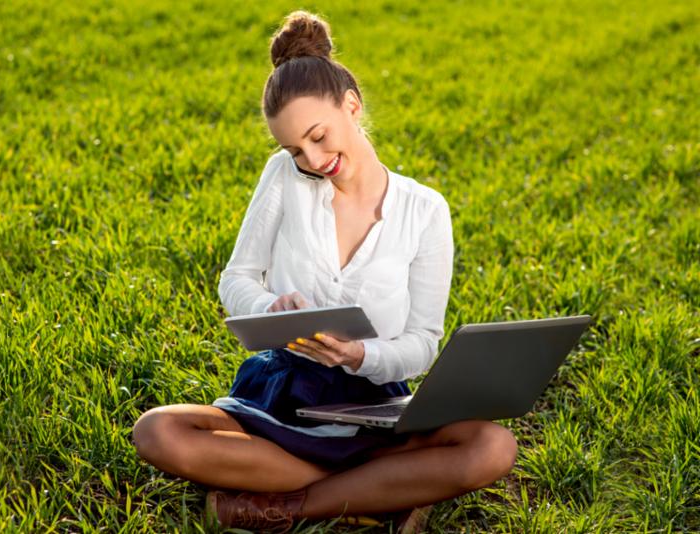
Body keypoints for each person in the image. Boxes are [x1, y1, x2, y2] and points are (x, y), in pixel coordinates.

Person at [132, 10, 518, 533]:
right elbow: (236, 278)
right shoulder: (283, 178)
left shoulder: (425, 209)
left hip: (373, 403)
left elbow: (423, 340)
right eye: (295, 150)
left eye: (318, 136)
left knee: (492, 446)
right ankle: (378, 489)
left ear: (351, 106)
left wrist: (362, 355)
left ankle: (287, 505)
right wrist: (270, 306)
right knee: (157, 432)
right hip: (284, 395)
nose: (312, 160)